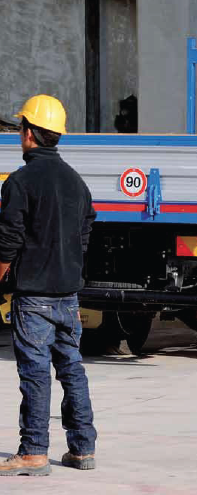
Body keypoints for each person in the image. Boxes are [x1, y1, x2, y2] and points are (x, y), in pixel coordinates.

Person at [0, 95, 97, 476]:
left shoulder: (20, 182)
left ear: (28, 133)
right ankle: (83, 449)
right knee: (71, 368)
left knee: (35, 373)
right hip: (68, 294)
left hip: (34, 296)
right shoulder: (76, 181)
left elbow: (8, 240)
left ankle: (34, 452)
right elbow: (86, 230)